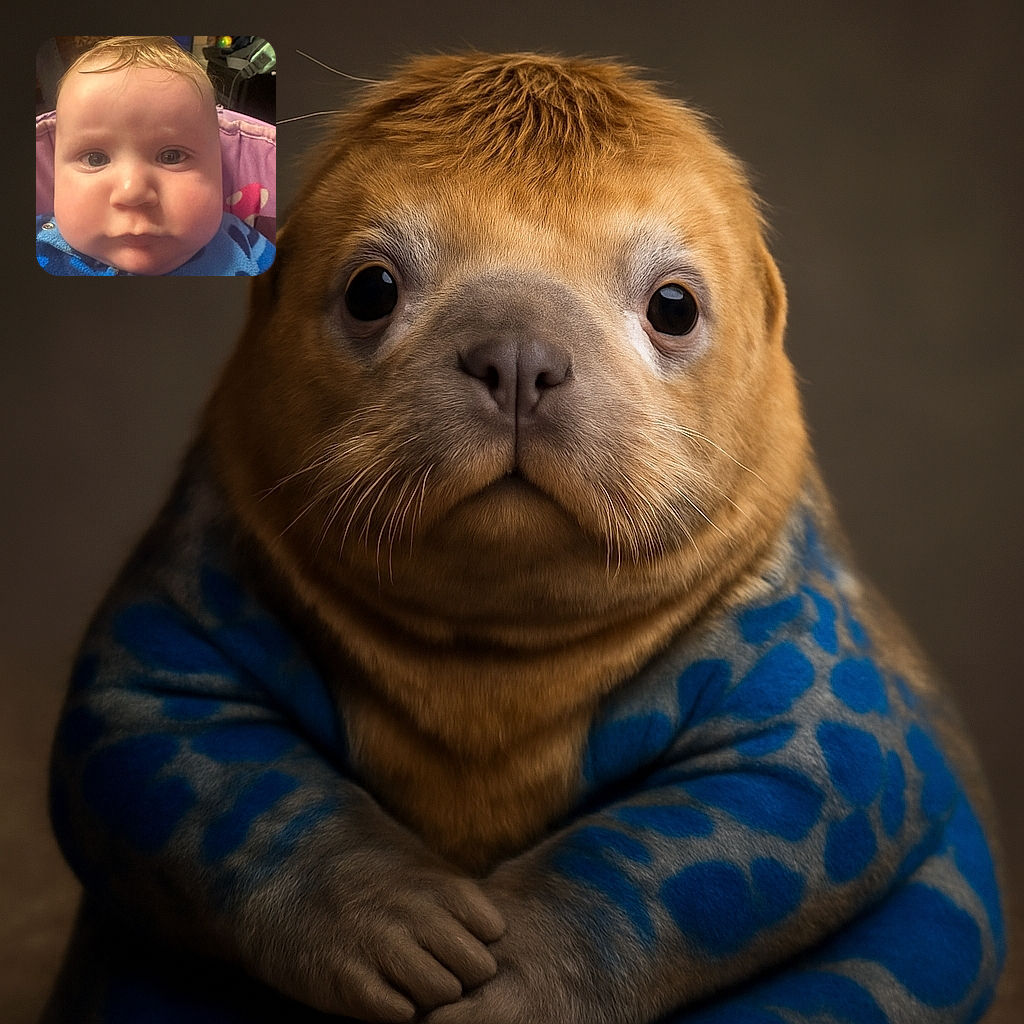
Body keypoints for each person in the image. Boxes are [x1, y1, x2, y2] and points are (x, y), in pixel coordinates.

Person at [36, 36, 275, 276]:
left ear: (219, 166)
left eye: (171, 156)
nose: (133, 192)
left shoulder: (246, 246)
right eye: (95, 159)